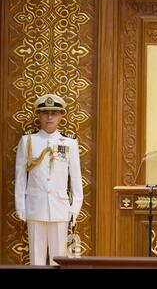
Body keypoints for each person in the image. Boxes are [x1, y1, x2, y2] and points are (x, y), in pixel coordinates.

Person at [15, 94, 83, 265]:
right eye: (45, 113)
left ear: (61, 116)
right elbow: (21, 177)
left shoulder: (69, 143)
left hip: (60, 208)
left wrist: (75, 208)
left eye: (54, 113)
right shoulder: (28, 141)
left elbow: (75, 179)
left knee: (58, 259)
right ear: (38, 115)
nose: (50, 117)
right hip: (35, 206)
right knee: (36, 259)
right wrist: (21, 207)